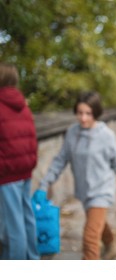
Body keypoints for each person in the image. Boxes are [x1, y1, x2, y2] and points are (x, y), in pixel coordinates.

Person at [32, 91, 116, 260]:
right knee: (97, 223)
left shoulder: (105, 135)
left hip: (102, 191)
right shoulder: (72, 133)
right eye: (80, 113)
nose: (83, 118)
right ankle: (112, 246)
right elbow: (60, 160)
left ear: (96, 113)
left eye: (88, 113)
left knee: (90, 238)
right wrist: (44, 184)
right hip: (84, 191)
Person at [0, 63, 40, 260]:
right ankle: (32, 259)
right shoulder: (23, 106)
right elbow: (32, 139)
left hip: (7, 174)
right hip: (24, 171)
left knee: (12, 228)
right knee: (27, 219)